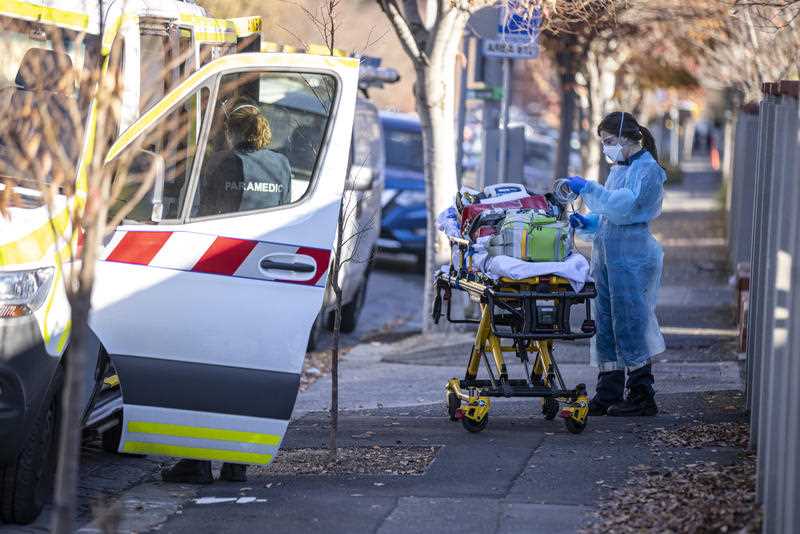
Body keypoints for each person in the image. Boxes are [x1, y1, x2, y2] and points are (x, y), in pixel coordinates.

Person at [566, 111, 666, 417]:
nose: (606, 147)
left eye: (609, 141)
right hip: (611, 256)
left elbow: (625, 208)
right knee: (607, 324)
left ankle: (641, 394)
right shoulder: (621, 169)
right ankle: (608, 392)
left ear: (626, 137)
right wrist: (588, 222)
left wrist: (588, 190)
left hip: (632, 259)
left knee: (631, 323)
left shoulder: (648, 171)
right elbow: (610, 214)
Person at [193, 99, 292, 217]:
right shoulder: (281, 163)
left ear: (229, 133)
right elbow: (285, 210)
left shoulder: (220, 161)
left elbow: (206, 210)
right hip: (266, 233)